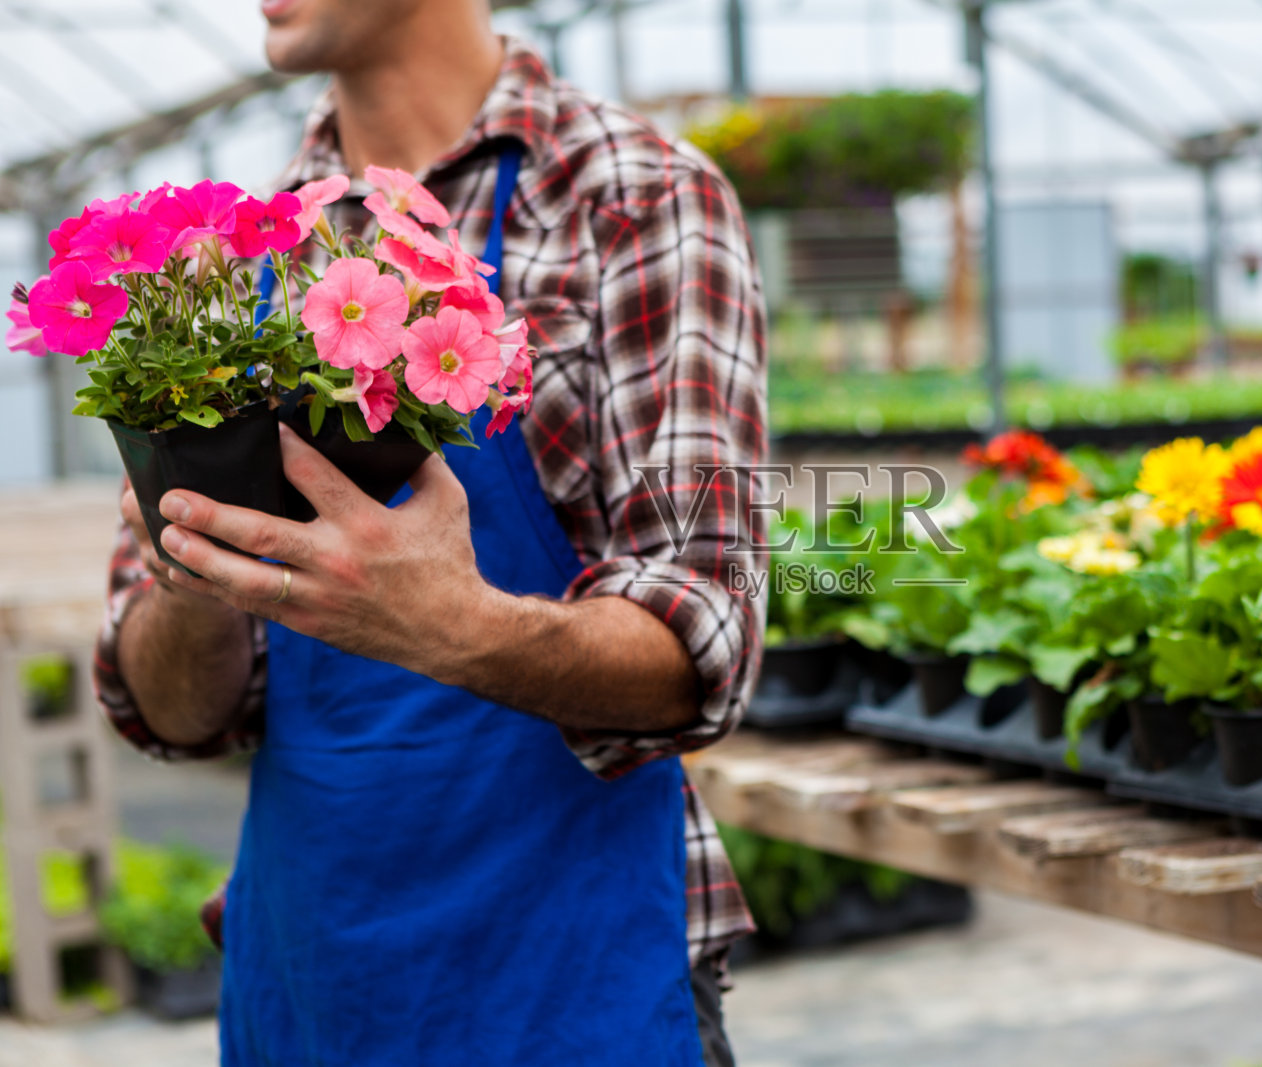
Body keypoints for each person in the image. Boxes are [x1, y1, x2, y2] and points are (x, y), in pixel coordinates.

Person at [93, 1, 767, 1063]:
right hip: (314, 978)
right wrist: (190, 568)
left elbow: (703, 644)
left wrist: (451, 622)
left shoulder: (630, 200)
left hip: (569, 977)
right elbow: (174, 715)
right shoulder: (236, 251)